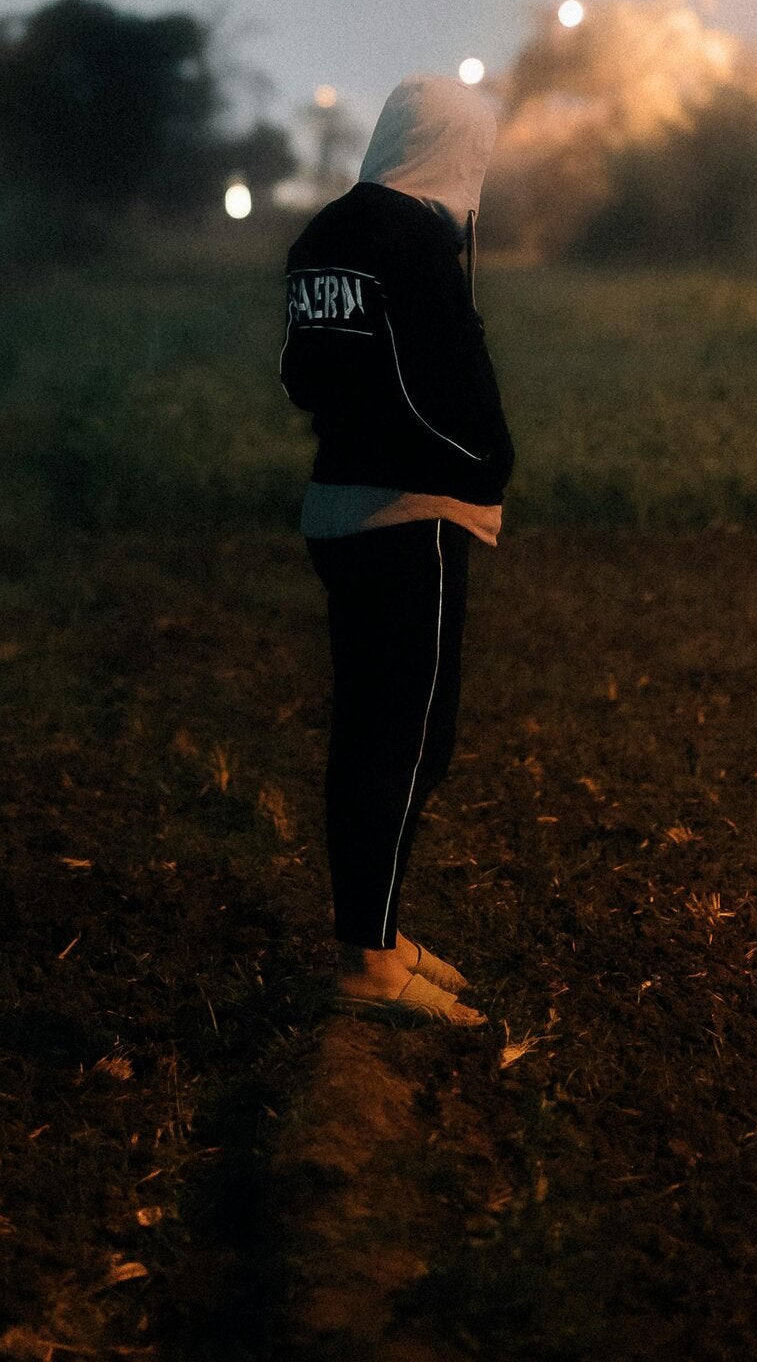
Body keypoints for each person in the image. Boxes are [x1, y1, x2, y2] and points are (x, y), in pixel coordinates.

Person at [280, 72, 514, 1027]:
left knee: (370, 733)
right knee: (411, 741)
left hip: (338, 507)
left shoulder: (323, 234)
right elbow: (437, 386)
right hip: (412, 515)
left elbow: (301, 376)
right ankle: (369, 965)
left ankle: (376, 936)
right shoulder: (414, 243)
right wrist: (488, 464)